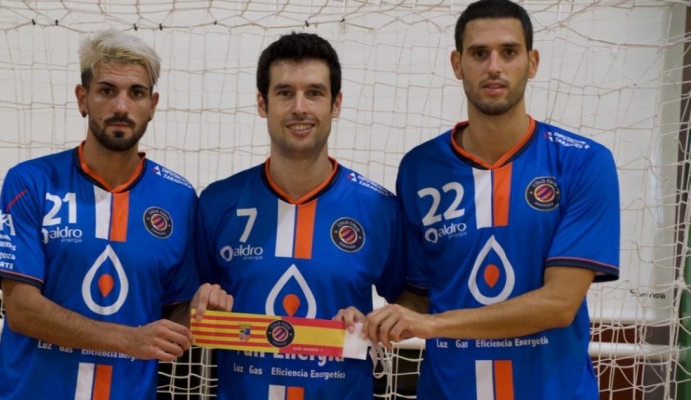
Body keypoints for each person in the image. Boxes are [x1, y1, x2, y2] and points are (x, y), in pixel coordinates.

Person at [345, 0, 620, 398]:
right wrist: (369, 320)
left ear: (533, 62)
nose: (494, 66)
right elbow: (421, 298)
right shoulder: (421, 168)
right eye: (479, 53)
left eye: (509, 52)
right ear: (457, 64)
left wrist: (434, 326)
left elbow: (560, 304)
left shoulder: (583, 161)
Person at [0, 29, 231, 399]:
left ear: (153, 104)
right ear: (82, 98)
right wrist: (128, 339)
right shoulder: (31, 181)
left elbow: (173, 316)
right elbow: (22, 309)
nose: (121, 106)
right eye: (106, 90)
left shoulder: (179, 198)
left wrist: (200, 314)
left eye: (136, 93)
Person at [193, 32, 405, 399]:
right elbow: (184, 302)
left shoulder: (380, 209)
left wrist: (375, 323)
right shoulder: (217, 203)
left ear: (336, 104)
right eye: (285, 93)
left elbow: (414, 299)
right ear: (263, 103)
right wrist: (201, 301)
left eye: (315, 93)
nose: (299, 107)